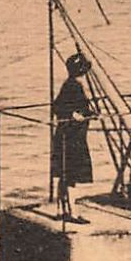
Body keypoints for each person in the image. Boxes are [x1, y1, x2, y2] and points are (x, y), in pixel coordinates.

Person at [51, 51, 97, 224]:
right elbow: (61, 108)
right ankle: (72, 213)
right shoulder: (75, 86)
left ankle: (60, 210)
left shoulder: (70, 84)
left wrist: (86, 113)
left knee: (64, 175)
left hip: (66, 136)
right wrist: (75, 115)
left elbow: (64, 106)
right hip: (72, 138)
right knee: (71, 177)